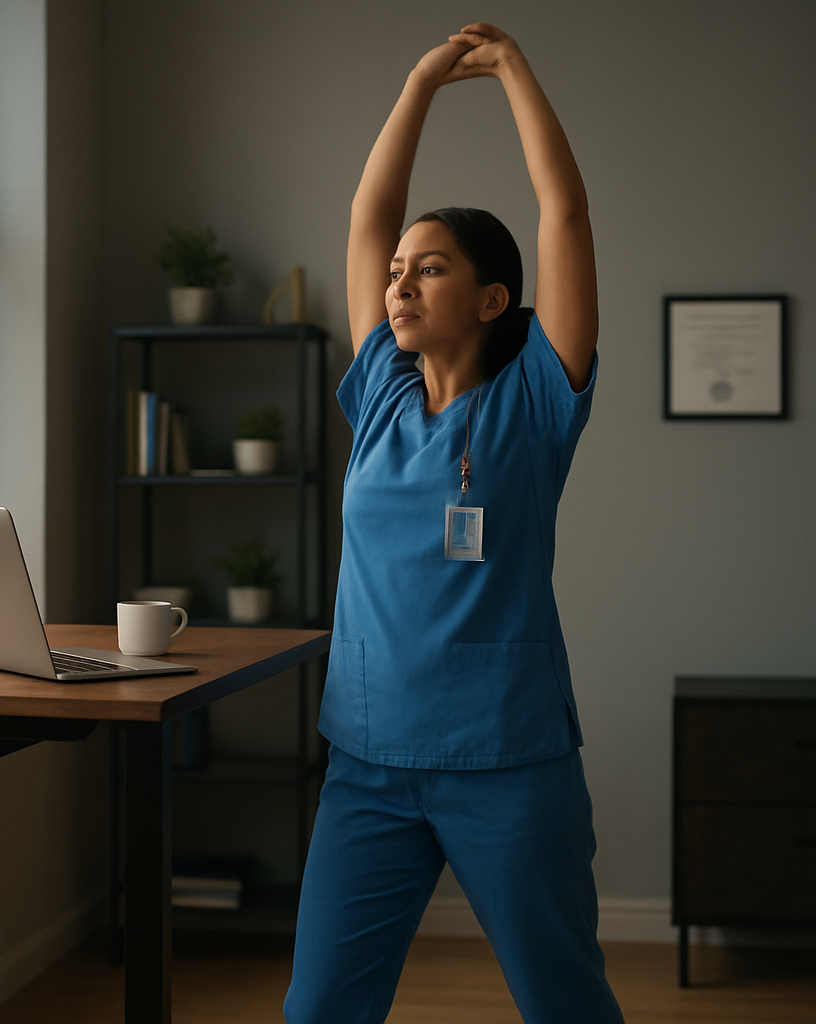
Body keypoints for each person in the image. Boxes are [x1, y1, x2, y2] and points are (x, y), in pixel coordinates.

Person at [283, 22, 625, 1024]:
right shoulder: (381, 399)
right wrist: (418, 83)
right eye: (397, 270)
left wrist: (513, 70)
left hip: (507, 764)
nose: (396, 280)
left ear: (491, 296)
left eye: (426, 268)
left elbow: (562, 210)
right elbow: (364, 218)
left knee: (564, 1002)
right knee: (318, 1012)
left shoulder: (536, 399)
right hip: (368, 761)